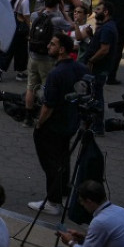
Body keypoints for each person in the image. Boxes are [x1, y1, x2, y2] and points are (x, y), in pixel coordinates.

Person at [29, 32, 89, 216]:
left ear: (62, 49)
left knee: (51, 163)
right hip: (70, 124)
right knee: (64, 159)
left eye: (53, 44)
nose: (48, 46)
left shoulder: (56, 74)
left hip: (53, 127)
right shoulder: (81, 68)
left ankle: (53, 201)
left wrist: (39, 123)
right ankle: (63, 194)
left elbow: (49, 105)